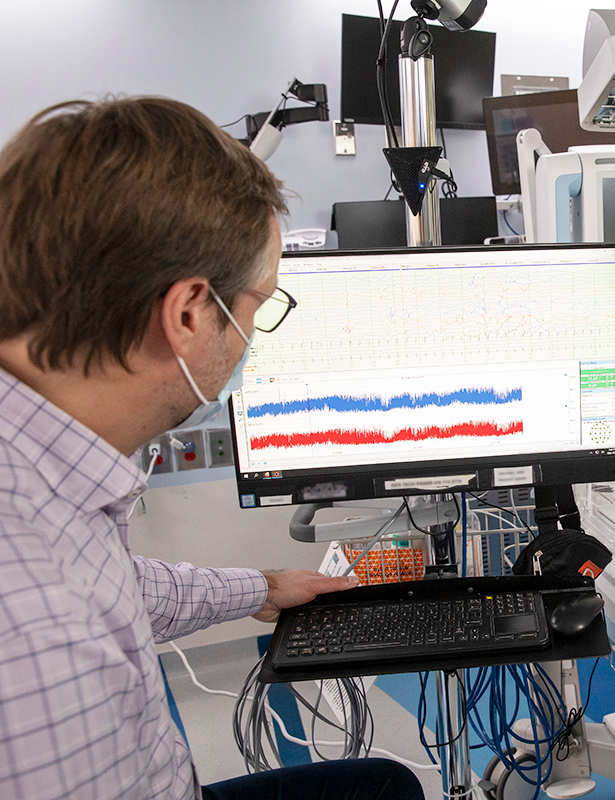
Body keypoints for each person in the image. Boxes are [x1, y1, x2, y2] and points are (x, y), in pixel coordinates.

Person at [0, 98, 423, 800]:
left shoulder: (40, 474)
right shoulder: (40, 640)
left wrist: (260, 588)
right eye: (260, 306)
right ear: (191, 313)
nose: (252, 336)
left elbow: (115, 585)